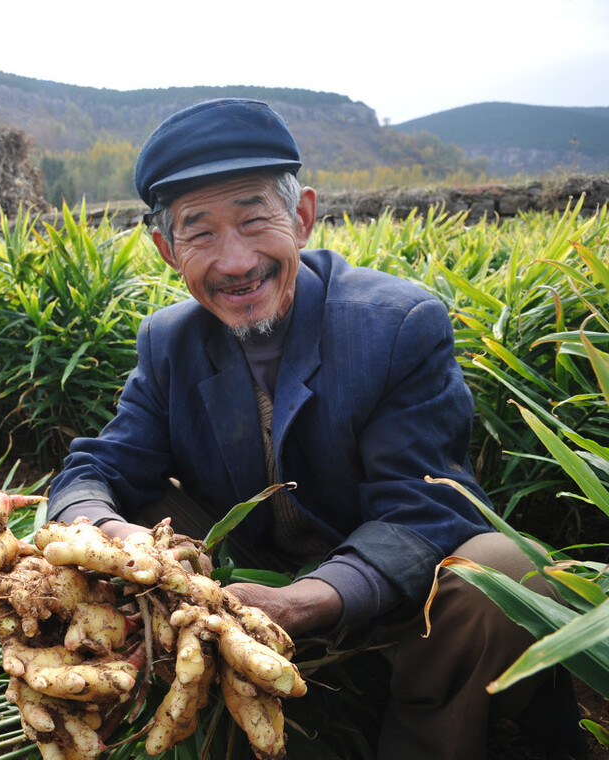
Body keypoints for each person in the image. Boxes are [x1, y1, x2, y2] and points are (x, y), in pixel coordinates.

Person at [45, 98, 582, 759]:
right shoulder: (169, 342)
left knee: (505, 570)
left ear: (302, 218)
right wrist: (114, 537)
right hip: (253, 579)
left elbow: (423, 506)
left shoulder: (395, 324)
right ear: (165, 247)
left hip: (390, 593)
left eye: (253, 219)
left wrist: (304, 601)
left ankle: (423, 733)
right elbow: (95, 469)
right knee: (129, 515)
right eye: (201, 233)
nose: (235, 261)